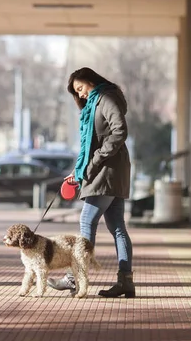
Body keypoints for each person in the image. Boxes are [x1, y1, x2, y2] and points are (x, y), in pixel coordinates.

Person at [47, 67, 135, 298]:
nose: (81, 94)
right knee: (117, 228)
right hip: (107, 170)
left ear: (91, 81)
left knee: (87, 220)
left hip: (107, 171)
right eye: (77, 92)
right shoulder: (95, 102)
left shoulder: (105, 98)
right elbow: (91, 144)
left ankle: (75, 279)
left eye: (81, 88)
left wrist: (95, 160)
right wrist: (77, 171)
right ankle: (125, 281)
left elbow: (119, 131)